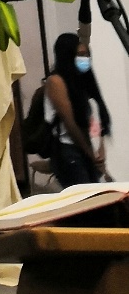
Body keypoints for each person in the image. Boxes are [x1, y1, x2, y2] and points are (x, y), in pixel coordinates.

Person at [44, 30, 111, 185]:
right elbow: (70, 123)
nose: (85, 59)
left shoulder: (85, 80)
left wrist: (100, 149)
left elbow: (95, 117)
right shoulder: (56, 82)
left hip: (89, 151)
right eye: (80, 54)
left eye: (86, 55)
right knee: (85, 201)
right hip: (69, 152)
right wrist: (90, 153)